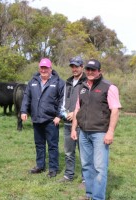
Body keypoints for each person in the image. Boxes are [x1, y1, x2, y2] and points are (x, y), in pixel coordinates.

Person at [71, 59, 121, 200]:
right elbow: (77, 108)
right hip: (83, 132)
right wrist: (74, 128)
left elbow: (115, 110)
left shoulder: (109, 87)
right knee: (86, 165)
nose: (90, 72)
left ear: (100, 71)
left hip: (100, 133)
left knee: (99, 168)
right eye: (88, 69)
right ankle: (89, 195)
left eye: (93, 70)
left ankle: (98, 198)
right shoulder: (82, 87)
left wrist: (110, 131)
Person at [21, 58, 65, 178]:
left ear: (51, 69)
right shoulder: (33, 81)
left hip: (51, 120)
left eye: (46, 68)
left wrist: (59, 116)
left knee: (52, 145)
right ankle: (40, 166)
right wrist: (24, 111)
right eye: (42, 67)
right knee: (39, 144)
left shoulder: (59, 82)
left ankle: (53, 169)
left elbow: (63, 100)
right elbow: (27, 97)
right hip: (36, 118)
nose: (43, 70)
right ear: (39, 68)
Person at [58, 56, 87, 184]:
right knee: (69, 152)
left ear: (82, 67)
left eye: (77, 66)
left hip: (82, 124)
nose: (74, 69)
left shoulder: (87, 82)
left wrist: (75, 114)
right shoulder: (68, 82)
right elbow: (63, 102)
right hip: (68, 123)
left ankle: (86, 179)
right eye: (72, 66)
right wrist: (64, 113)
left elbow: (87, 103)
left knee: (84, 154)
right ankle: (68, 176)